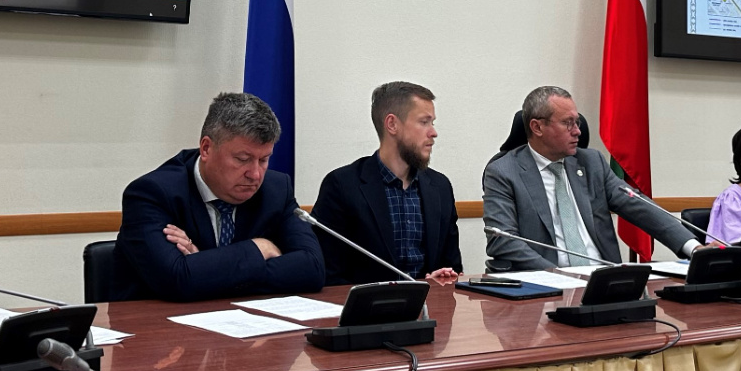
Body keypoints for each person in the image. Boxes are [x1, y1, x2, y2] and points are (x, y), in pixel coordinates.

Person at [113, 92, 323, 302]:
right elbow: (177, 281)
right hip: (154, 320)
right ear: (206, 148)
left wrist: (207, 270)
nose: (255, 174)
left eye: (264, 160)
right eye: (243, 159)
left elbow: (313, 269)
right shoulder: (152, 193)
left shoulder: (276, 190)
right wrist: (259, 248)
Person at [483, 86, 702, 271]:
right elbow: (503, 240)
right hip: (546, 286)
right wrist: (558, 275)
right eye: (568, 123)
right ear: (537, 127)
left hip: (604, 282)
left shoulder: (591, 162)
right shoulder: (503, 172)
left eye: (577, 122)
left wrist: (693, 247)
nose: (577, 131)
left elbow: (638, 206)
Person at [312, 82, 462, 285]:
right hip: (367, 304)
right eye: (424, 122)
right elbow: (329, 274)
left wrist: (442, 280)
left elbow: (453, 267)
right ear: (392, 124)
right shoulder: (342, 186)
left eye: (432, 123)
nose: (433, 132)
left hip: (429, 302)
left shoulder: (440, 187)